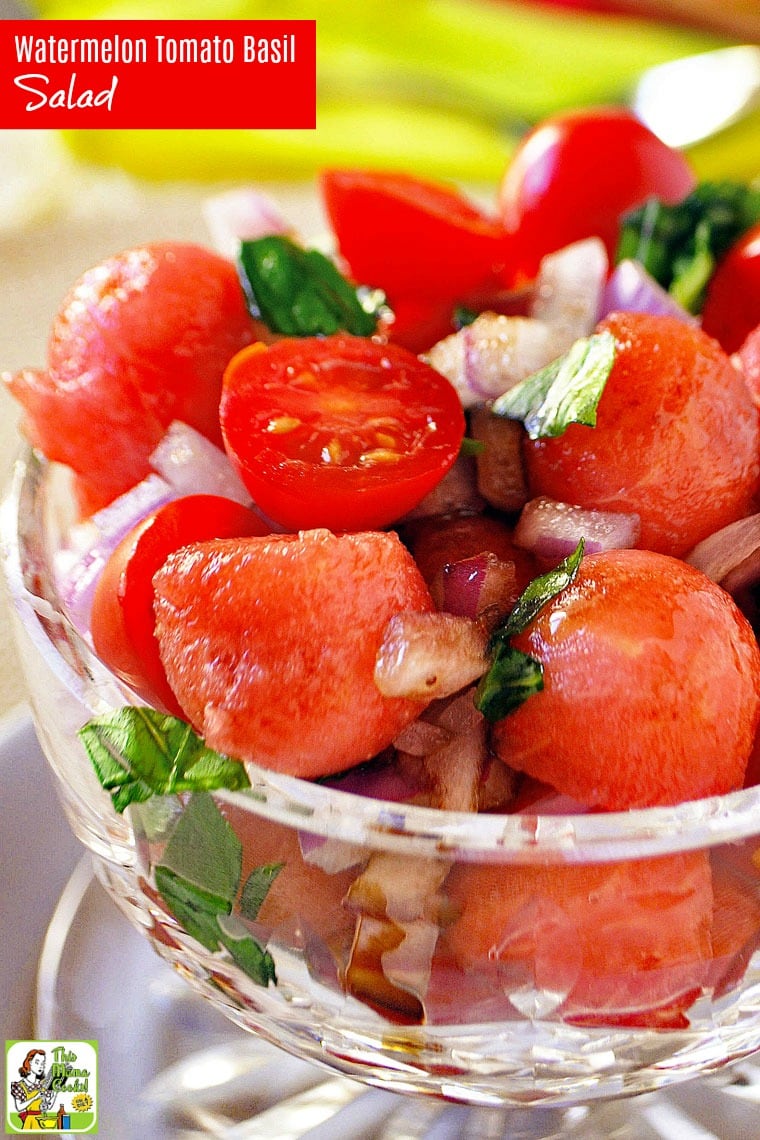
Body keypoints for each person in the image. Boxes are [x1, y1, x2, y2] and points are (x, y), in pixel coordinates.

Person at [9, 1050, 54, 1130]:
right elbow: (19, 1107)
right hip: (30, 1122)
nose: (41, 1066)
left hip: (42, 1120)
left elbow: (48, 1105)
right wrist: (34, 1098)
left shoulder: (42, 1084)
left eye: (43, 1063)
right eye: (37, 1062)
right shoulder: (19, 1086)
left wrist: (54, 1091)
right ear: (29, 1062)